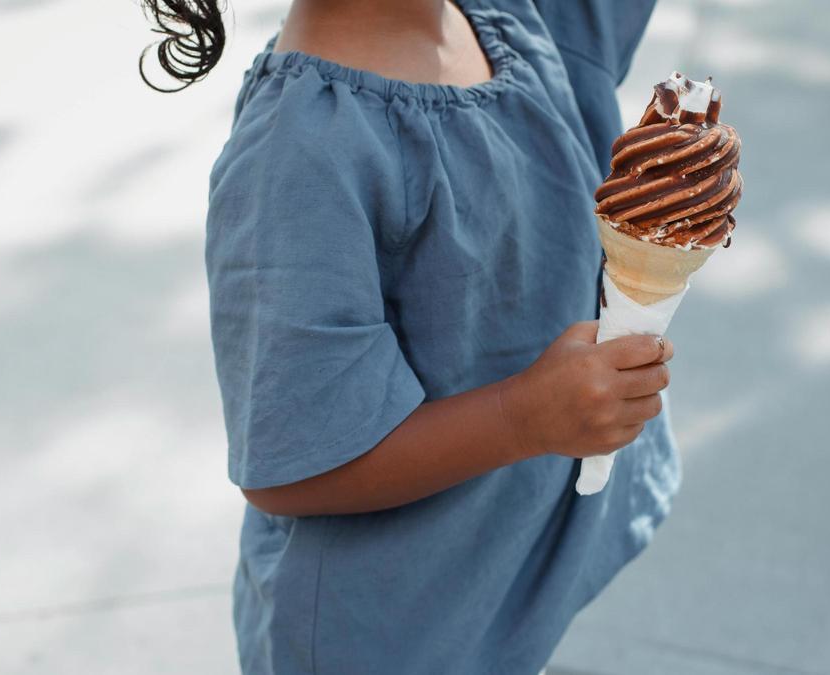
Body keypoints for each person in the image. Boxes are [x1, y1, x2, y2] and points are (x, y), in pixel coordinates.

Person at [140, 0, 676, 672]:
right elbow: (293, 469)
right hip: (389, 634)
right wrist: (525, 415)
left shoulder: (499, 15)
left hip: (500, 589)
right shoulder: (301, 153)